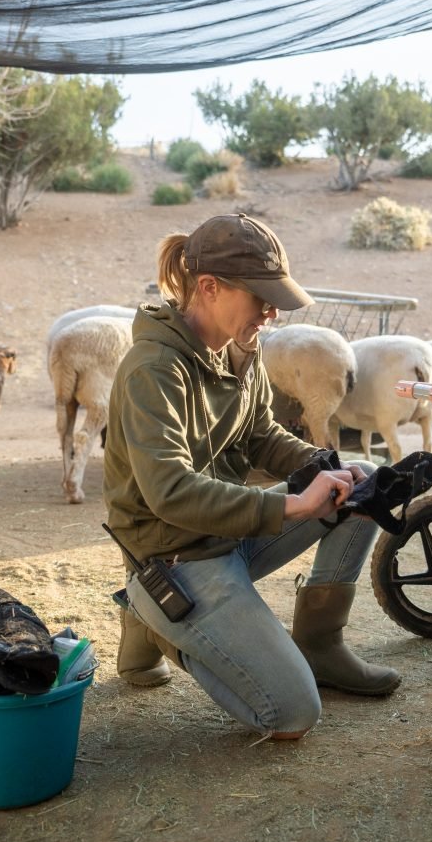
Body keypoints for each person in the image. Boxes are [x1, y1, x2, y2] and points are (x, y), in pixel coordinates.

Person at [103, 213, 399, 739]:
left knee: (363, 486)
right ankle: (156, 617)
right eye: (260, 297)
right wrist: (295, 506)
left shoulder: (241, 349)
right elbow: (169, 491)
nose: (271, 312)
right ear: (210, 288)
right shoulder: (153, 370)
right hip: (178, 556)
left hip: (230, 533)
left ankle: (321, 646)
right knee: (291, 715)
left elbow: (260, 434)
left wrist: (327, 470)